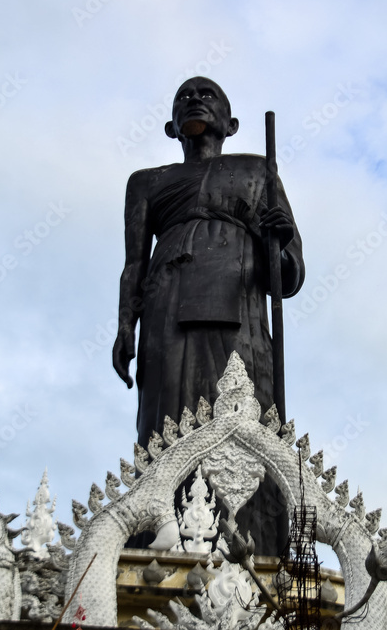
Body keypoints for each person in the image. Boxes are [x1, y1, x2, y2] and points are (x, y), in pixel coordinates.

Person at [112, 77, 304, 553]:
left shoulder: (258, 171)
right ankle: (160, 535)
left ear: (232, 124)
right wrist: (124, 327)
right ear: (170, 126)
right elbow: (134, 262)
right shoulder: (147, 183)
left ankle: (256, 544)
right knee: (165, 418)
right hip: (167, 308)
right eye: (184, 96)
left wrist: (276, 241)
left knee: (244, 414)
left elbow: (290, 274)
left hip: (239, 309)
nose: (195, 99)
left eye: (207, 95)